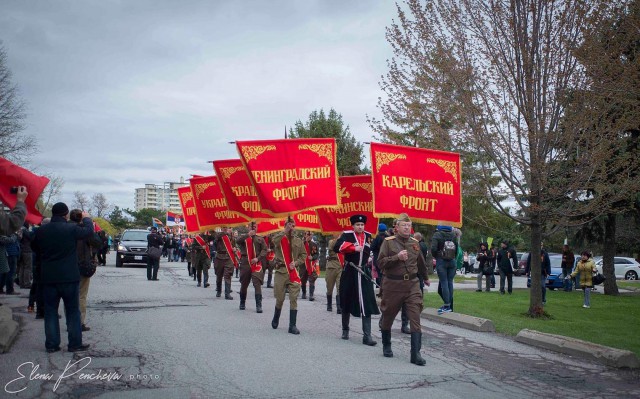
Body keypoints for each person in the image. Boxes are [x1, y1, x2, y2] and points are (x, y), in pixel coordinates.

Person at [31, 202, 94, 353]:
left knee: (51, 311)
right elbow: (88, 232)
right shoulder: (71, 229)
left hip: (48, 277)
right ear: (66, 215)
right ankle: (74, 344)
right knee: (73, 311)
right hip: (69, 277)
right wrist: (86, 218)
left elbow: (35, 248)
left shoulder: (41, 231)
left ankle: (52, 345)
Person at [378, 213, 430, 365]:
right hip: (393, 285)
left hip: (412, 285)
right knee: (388, 316)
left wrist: (425, 277)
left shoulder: (415, 243)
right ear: (397, 228)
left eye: (409, 225)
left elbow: (420, 263)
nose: (407, 228)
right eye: (404, 225)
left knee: (415, 317)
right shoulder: (388, 243)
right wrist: (396, 258)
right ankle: (386, 345)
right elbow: (380, 263)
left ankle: (416, 354)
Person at [334, 214, 380, 345]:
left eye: (362, 225)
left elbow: (371, 250)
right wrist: (353, 248)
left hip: (364, 272)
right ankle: (345, 329)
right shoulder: (346, 235)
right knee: (346, 299)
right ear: (353, 226)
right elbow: (336, 247)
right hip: (350, 271)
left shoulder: (368, 236)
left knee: (367, 302)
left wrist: (370, 258)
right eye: (358, 225)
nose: (360, 227)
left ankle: (367, 336)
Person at [269, 216, 306, 334]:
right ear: (285, 225)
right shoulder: (279, 238)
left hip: (293, 272)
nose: (291, 227)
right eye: (289, 225)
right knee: (280, 298)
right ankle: (276, 317)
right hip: (281, 271)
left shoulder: (298, 241)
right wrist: (284, 231)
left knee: (293, 298)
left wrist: (296, 263)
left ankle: (292, 325)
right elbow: (274, 242)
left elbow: (303, 255)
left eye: (293, 225)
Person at [69, 209, 102, 332]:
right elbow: (98, 243)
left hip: (66, 267)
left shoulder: (64, 228)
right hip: (82, 265)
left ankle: (70, 321)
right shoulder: (83, 231)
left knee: (70, 296)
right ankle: (79, 322)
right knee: (81, 296)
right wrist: (88, 223)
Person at [236, 222, 268, 313]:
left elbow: (264, 250)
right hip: (245, 262)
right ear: (248, 227)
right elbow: (237, 241)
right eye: (251, 226)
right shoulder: (244, 237)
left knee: (257, 284)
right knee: (244, 284)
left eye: (254, 227)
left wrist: (258, 258)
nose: (253, 228)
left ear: (257, 228)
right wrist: (247, 235)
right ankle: (242, 302)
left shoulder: (260, 238)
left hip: (256, 263)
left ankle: (259, 305)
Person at [431, 224, 457, 314]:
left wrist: (437, 256)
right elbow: (456, 249)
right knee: (450, 282)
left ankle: (447, 305)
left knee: (444, 282)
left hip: (441, 261)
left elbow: (433, 248)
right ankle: (449, 305)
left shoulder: (437, 235)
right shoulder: (453, 235)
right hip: (452, 261)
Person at [213, 227, 238, 299]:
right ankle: (219, 290)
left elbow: (235, 246)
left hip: (228, 257)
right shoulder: (218, 235)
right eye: (224, 227)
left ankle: (227, 294)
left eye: (227, 227)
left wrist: (235, 249)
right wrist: (225, 233)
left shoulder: (231, 237)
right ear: (221, 228)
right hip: (219, 257)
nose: (226, 229)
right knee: (219, 275)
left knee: (228, 275)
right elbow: (215, 240)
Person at [325, 233, 343, 313]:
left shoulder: (344, 241)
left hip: (340, 266)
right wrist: (338, 239)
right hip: (331, 266)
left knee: (340, 287)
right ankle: (329, 304)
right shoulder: (331, 241)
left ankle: (339, 307)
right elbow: (332, 246)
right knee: (329, 287)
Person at [300, 231, 319, 301]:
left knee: (312, 279)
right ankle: (304, 293)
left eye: (311, 234)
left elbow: (317, 254)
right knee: (303, 279)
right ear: (305, 235)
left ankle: (311, 295)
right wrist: (305, 241)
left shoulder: (314, 244)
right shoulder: (301, 243)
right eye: (308, 234)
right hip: (303, 264)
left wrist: (313, 257)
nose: (309, 236)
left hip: (311, 264)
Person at [370, 223, 388, 291]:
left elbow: (371, 247)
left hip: (378, 258)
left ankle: (381, 290)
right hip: (387, 259)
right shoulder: (388, 237)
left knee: (380, 275)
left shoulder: (376, 237)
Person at [18, 223, 33, 288]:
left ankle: (21, 283)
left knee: (22, 267)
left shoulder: (19, 229)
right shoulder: (25, 230)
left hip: (21, 250)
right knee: (28, 267)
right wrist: (30, 231)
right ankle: (27, 283)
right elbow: (30, 238)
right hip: (27, 250)